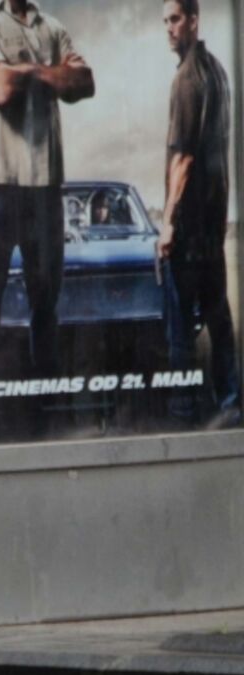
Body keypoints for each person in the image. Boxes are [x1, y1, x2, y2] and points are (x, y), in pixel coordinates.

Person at [0, 0, 95, 393]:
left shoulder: (52, 26)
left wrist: (22, 69)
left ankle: (44, 404)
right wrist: (51, 71)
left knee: (46, 308)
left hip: (45, 186)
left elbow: (84, 83)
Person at [158, 0, 240, 428]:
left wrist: (168, 221)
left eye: (175, 19)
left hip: (190, 230)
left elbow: (184, 159)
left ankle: (183, 414)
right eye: (165, 22)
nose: (169, 29)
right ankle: (230, 404)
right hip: (212, 227)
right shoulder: (218, 71)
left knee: (179, 331)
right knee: (219, 321)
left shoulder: (187, 79)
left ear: (193, 20)